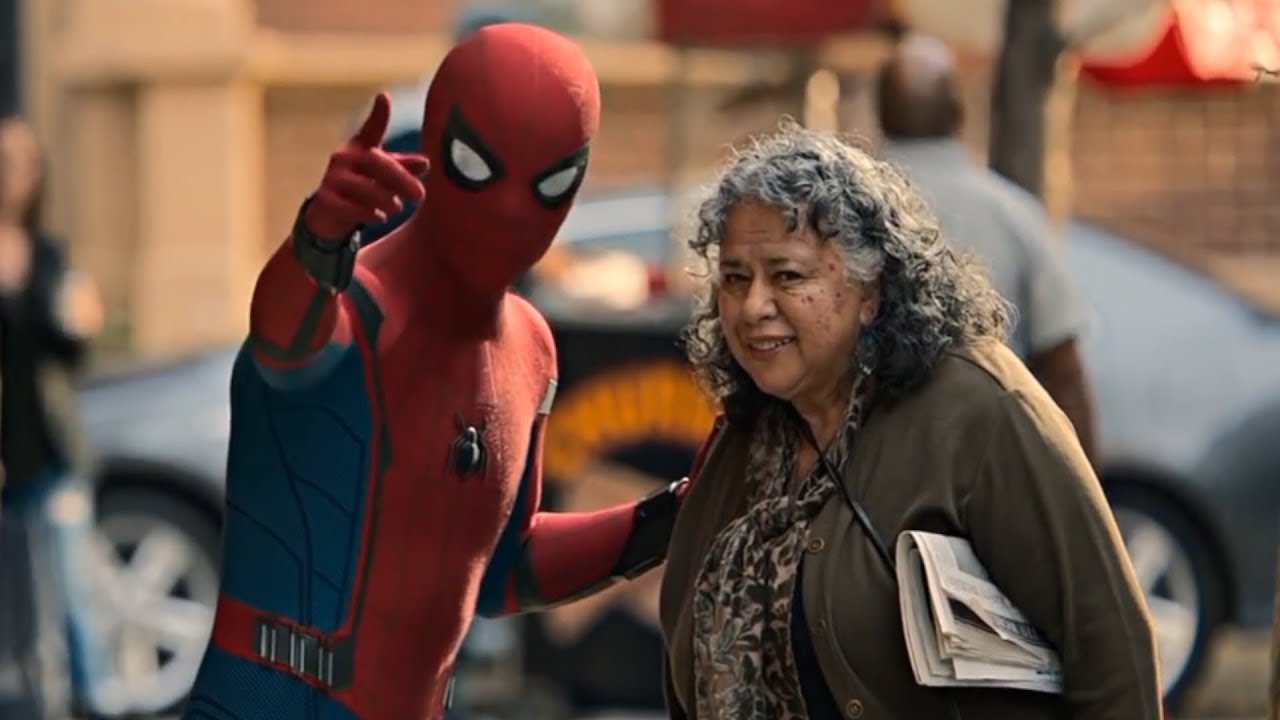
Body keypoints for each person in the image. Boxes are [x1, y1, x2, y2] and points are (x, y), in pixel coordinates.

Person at [182, 24, 687, 720]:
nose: (512, 211)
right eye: (480, 167)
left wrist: (666, 521)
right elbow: (283, 340)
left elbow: (506, 570)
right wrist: (318, 238)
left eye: (550, 182)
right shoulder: (352, 311)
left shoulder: (529, 346)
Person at [658, 122, 1163, 719]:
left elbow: (1109, 652)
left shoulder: (978, 408)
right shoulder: (747, 430)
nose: (753, 306)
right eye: (736, 278)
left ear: (870, 289)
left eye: (788, 275)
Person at [874, 33, 1099, 464]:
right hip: (989, 470)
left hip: (869, 472)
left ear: (881, 117)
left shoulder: (837, 214)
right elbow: (1064, 369)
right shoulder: (1013, 214)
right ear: (960, 115)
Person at [0, 113, 112, 719]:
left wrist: (82, 315)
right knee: (13, 607)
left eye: (19, 163)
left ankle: (93, 702)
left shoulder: (51, 254)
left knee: (70, 593)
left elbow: (74, 350)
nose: (8, 176)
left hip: (51, 449)